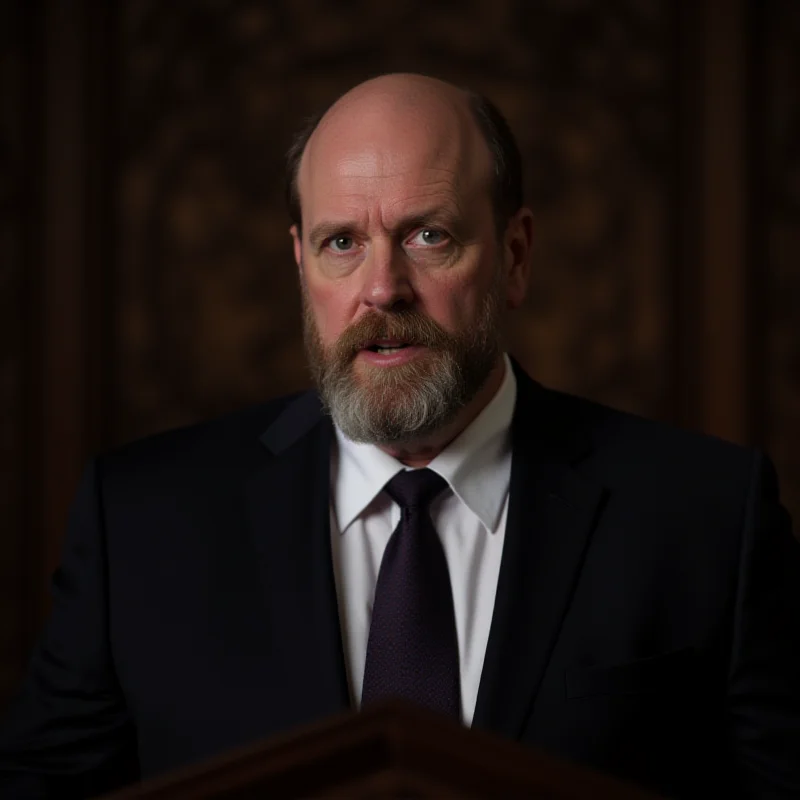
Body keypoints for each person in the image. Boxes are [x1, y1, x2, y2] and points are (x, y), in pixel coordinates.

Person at [1, 73, 799, 799]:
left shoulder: (706, 518)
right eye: (341, 242)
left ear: (514, 256)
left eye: (429, 236)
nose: (382, 288)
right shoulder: (139, 522)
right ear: (300, 265)